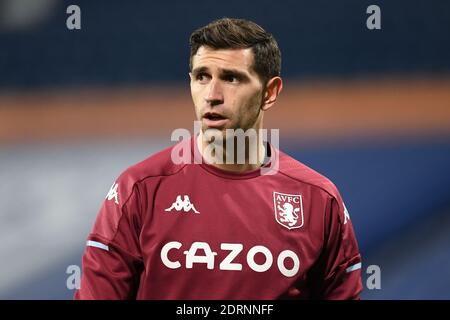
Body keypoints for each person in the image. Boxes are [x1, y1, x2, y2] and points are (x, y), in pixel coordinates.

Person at [74, 17, 363, 300]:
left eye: (231, 78)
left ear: (270, 93)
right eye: (202, 76)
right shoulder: (138, 189)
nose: (212, 95)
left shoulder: (318, 200)